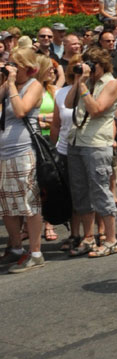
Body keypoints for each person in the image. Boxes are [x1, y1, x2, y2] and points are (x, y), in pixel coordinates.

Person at [64, 44, 117, 256]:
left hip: (96, 143)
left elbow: (96, 109)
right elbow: (68, 104)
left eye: (91, 64)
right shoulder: (85, 82)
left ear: (102, 64)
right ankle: (88, 237)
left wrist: (83, 86)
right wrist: (78, 81)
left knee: (100, 191)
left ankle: (111, 239)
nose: (88, 68)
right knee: (80, 192)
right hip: (77, 141)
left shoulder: (111, 83)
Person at [0, 47, 48, 272]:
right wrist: (5, 82)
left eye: (15, 65)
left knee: (29, 203)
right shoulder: (9, 85)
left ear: (28, 68)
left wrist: (10, 85)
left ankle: (36, 253)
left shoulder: (34, 85)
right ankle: (16, 248)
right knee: (7, 205)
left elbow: (21, 111)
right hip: (4, 154)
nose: (12, 69)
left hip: (24, 152)